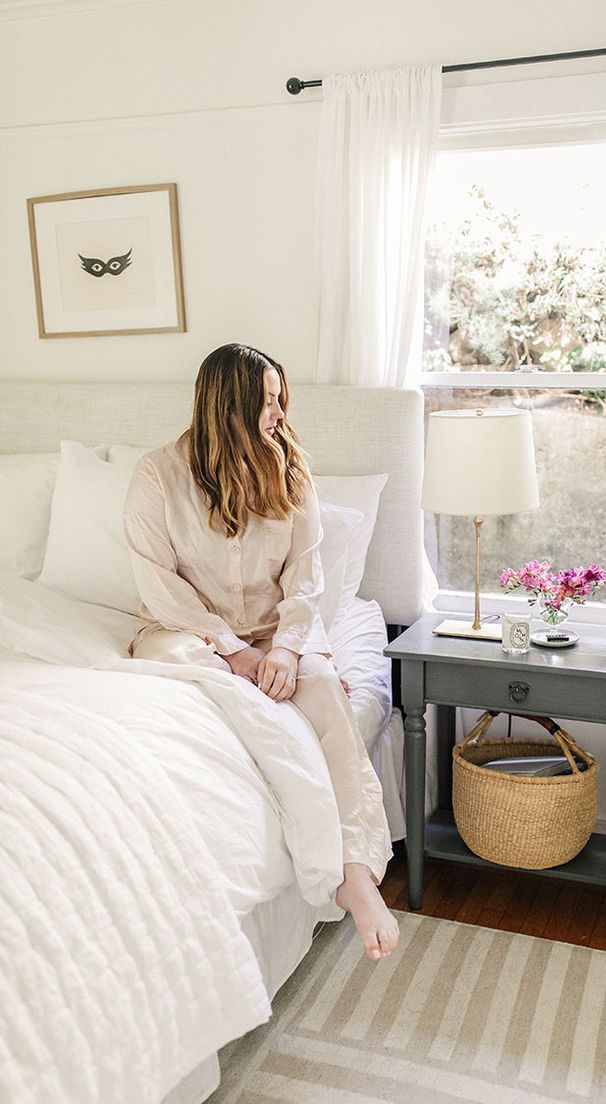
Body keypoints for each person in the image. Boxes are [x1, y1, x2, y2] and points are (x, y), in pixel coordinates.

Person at [123, 343, 399, 961]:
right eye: (266, 401)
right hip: (188, 632)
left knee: (326, 697)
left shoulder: (291, 469)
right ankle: (252, 706)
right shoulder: (157, 475)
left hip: (280, 633)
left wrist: (289, 650)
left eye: (280, 399)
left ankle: (354, 871)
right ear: (229, 406)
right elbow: (159, 586)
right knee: (185, 667)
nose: (277, 413)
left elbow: (306, 580)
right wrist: (230, 652)